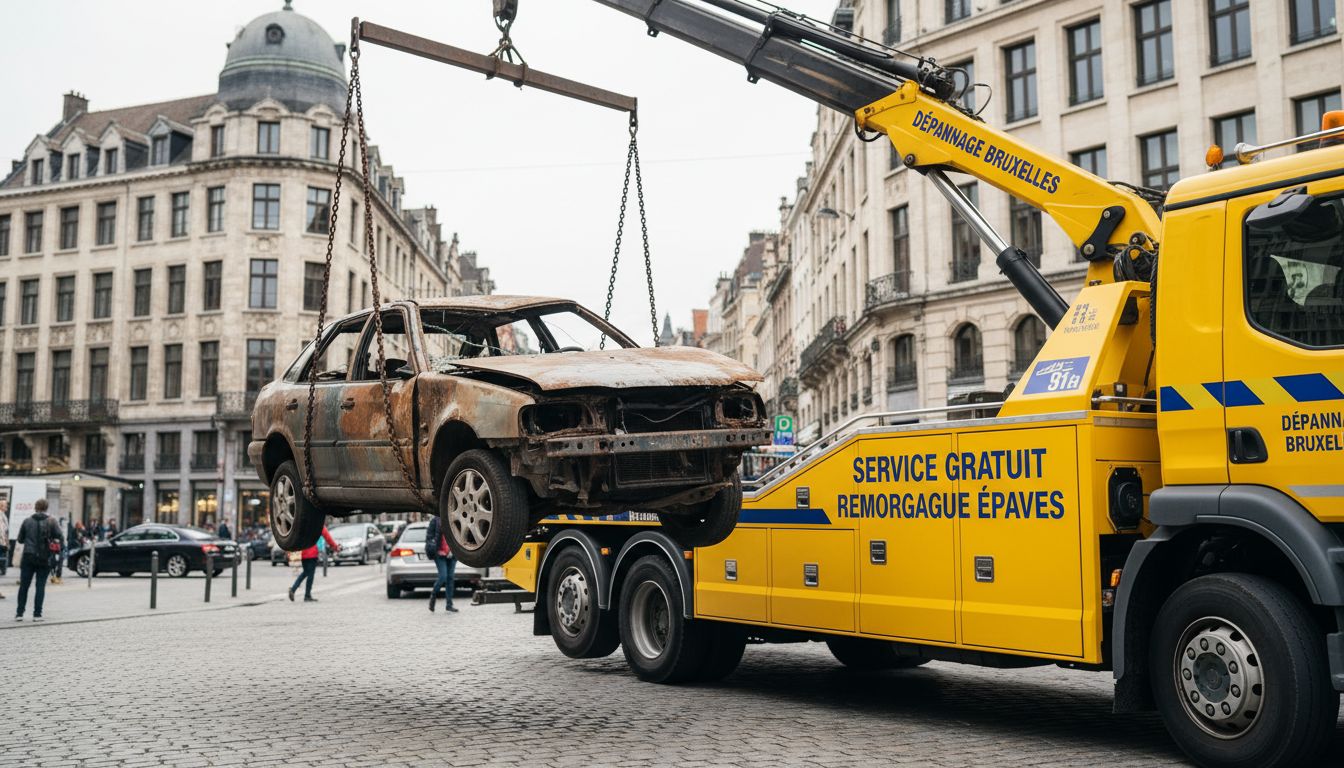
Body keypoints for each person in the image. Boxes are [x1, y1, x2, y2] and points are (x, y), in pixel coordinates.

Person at [15, 499, 62, 621]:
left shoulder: (27, 521)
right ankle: (37, 614)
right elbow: (60, 536)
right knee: (40, 586)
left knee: (24, 585)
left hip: (28, 556)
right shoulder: (52, 521)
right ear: (46, 507)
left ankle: (19, 613)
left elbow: (20, 539)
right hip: (44, 557)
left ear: (35, 507)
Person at [288, 526, 339, 603]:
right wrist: (335, 547)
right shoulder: (318, 524)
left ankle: (293, 589)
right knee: (310, 575)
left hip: (304, 552)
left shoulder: (303, 524)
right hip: (312, 553)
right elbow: (327, 537)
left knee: (305, 572)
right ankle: (307, 595)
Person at [424, 515, 458, 613]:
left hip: (452, 554)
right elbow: (429, 537)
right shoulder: (435, 521)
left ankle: (449, 605)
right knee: (443, 576)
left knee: (450, 579)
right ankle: (433, 596)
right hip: (440, 554)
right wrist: (434, 547)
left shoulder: (454, 518)